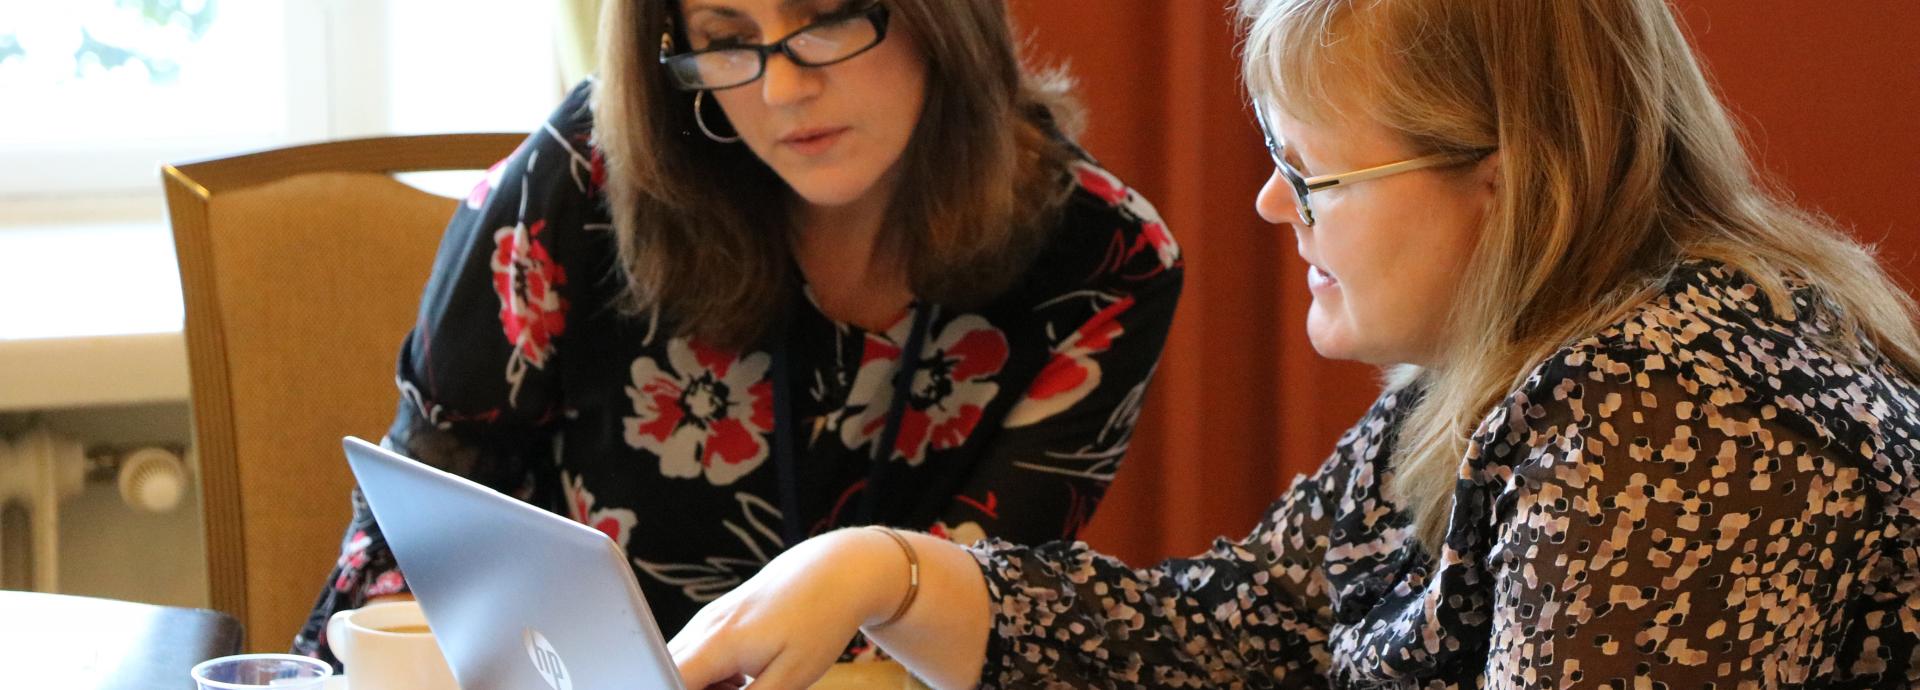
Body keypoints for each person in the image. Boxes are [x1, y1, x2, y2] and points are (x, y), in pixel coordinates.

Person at [666, 0, 1920, 687]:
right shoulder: (1509, 367)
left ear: (1505, 177)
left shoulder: (1674, 417)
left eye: (1309, 171)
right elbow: (1252, 628)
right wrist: (890, 572)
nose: (1274, 207)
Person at [291, 0, 1184, 667]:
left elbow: (989, 622)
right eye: (726, 39)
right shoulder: (578, 179)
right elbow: (409, 538)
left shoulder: (1103, 261)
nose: (783, 86)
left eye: (826, 16)